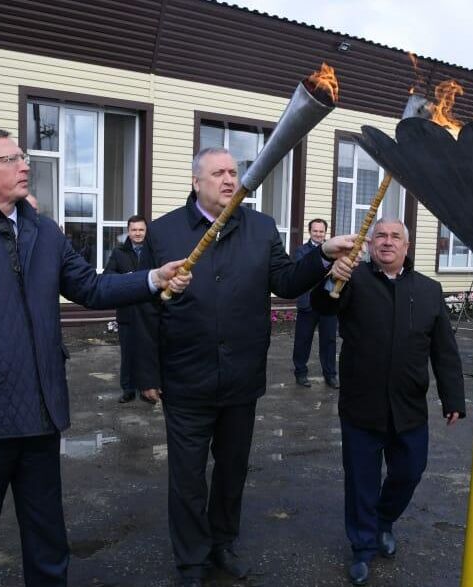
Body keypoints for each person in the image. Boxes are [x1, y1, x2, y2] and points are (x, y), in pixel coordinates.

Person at [0, 127, 191, 587]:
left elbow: (90, 288)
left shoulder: (43, 231)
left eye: (22, 156)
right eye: (10, 159)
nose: (24, 165)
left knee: (48, 541)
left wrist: (151, 279)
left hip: (41, 415)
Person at [133, 147, 356, 586]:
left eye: (234, 172)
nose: (230, 179)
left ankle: (222, 543)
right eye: (218, 173)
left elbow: (287, 281)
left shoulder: (260, 227)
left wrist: (323, 255)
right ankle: (192, 561)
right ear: (196, 181)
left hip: (241, 378)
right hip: (185, 378)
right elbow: (144, 310)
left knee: (232, 470)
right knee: (188, 478)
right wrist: (146, 374)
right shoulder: (164, 232)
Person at [312, 217, 465, 586]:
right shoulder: (352, 280)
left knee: (410, 471)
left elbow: (444, 350)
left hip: (409, 406)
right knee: (361, 480)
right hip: (361, 405)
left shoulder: (429, 290)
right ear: (368, 245)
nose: (387, 242)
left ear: (407, 247)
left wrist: (452, 398)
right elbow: (324, 305)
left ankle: (383, 521)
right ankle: (363, 548)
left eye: (396, 237)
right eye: (380, 235)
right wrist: (335, 274)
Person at [104, 215, 154, 403]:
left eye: (141, 229)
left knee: (147, 350)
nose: (138, 233)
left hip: (149, 311)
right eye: (134, 230)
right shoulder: (119, 253)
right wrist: (127, 278)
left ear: (145, 231)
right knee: (128, 352)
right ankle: (128, 389)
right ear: (128, 231)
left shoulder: (153, 251)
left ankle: (146, 388)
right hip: (127, 310)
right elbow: (108, 274)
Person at [292, 218, 339, 389]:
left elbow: (337, 273)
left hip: (328, 303)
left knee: (329, 341)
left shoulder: (336, 251)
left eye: (321, 231)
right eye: (315, 231)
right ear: (310, 231)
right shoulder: (301, 251)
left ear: (325, 232)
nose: (318, 234)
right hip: (308, 303)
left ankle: (330, 375)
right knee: (303, 340)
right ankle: (300, 373)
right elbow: (302, 273)